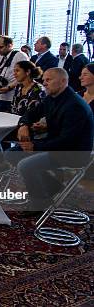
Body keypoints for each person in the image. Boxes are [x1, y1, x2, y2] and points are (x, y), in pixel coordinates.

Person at [16, 68, 93, 212]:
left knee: (25, 165)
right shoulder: (52, 97)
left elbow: (66, 141)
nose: (44, 83)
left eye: (48, 80)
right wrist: (23, 125)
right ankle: (53, 186)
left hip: (73, 153)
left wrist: (34, 146)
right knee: (12, 152)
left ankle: (39, 203)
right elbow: (31, 114)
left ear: (63, 81)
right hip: (57, 145)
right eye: (44, 80)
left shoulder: (74, 105)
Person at [0, 35, 30, 112]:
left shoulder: (20, 55)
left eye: (1, 47)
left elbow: (25, 76)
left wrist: (10, 87)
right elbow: (0, 73)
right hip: (0, 96)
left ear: (10, 45)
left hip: (13, 96)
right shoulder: (0, 56)